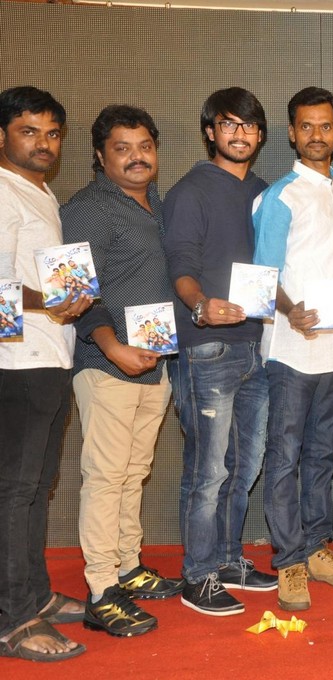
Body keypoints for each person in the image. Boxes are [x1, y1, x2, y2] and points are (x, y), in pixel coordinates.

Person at [61, 105, 183, 637]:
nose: (137, 157)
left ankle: (128, 567)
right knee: (106, 477)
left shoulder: (158, 204)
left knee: (134, 472)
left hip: (153, 365)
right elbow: (72, 292)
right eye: (122, 148)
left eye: (144, 147)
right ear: (100, 155)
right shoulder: (87, 209)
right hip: (106, 365)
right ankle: (101, 588)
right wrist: (113, 348)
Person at [163, 87, 276, 616]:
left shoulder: (265, 193)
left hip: (257, 346)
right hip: (206, 347)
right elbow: (180, 265)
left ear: (260, 134)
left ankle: (229, 559)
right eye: (228, 124)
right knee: (207, 472)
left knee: (244, 465)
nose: (239, 133)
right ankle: (198, 575)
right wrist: (200, 306)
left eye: (248, 125)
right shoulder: (191, 190)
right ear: (210, 131)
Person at [252, 87, 333, 611]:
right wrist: (290, 309)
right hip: (292, 349)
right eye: (306, 126)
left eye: (325, 126)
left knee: (321, 453)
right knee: (284, 456)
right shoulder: (280, 196)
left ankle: (317, 547)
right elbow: (262, 274)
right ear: (292, 134)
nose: (316, 135)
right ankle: (289, 562)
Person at [0, 86, 92, 662]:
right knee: (15, 490)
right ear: (2, 136)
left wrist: (66, 303)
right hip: (16, 362)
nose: (43, 143)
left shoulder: (38, 191)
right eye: (29, 131)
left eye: (52, 133)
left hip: (52, 356)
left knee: (36, 487)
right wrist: (48, 302)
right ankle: (13, 620)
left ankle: (33, 594)